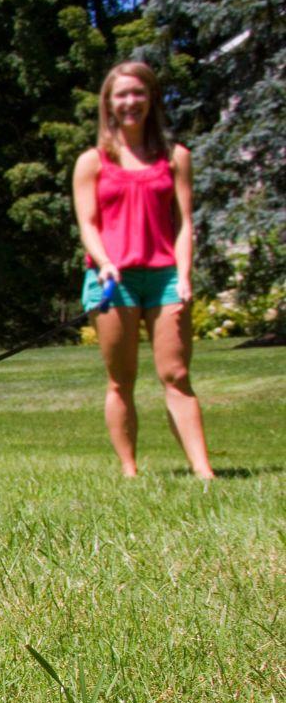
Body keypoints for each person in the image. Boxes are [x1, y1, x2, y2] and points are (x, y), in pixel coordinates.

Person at [73, 61, 214, 480]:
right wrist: (105, 262)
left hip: (166, 274)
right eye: (121, 95)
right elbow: (88, 223)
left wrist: (185, 274)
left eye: (138, 93)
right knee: (122, 378)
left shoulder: (175, 157)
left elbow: (185, 221)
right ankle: (130, 470)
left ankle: (204, 471)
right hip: (113, 280)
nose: (130, 102)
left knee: (177, 374)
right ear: (108, 104)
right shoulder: (93, 162)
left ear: (151, 99)